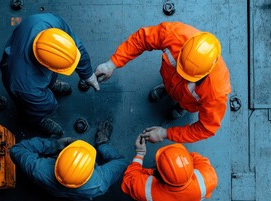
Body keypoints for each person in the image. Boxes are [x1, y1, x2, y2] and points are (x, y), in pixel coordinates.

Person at [95, 22, 231, 143]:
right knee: (172, 87)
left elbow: (206, 128)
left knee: (186, 103)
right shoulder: (174, 34)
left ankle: (182, 106)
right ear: (183, 49)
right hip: (168, 80)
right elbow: (142, 39)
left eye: (188, 77)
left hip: (189, 101)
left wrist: (165, 133)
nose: (181, 75)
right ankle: (167, 89)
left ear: (206, 73)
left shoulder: (216, 92)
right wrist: (111, 64)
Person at [0, 13, 100, 136]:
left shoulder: (49, 23)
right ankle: (37, 121)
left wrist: (88, 74)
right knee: (31, 110)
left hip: (20, 49)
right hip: (15, 74)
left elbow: (76, 47)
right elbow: (46, 105)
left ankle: (48, 85)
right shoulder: (27, 86)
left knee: (44, 83)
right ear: (47, 66)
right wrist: (50, 100)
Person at [10, 120, 129, 201]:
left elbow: (16, 150)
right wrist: (103, 144)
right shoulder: (99, 183)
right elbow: (121, 162)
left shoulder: (39, 171)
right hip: (83, 197)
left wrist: (54, 144)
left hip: (53, 191)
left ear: (59, 159)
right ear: (90, 171)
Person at [121, 135, 217, 201]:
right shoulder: (207, 180)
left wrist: (140, 154)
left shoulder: (147, 190)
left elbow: (129, 179)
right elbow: (198, 160)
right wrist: (183, 158)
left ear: (158, 174)